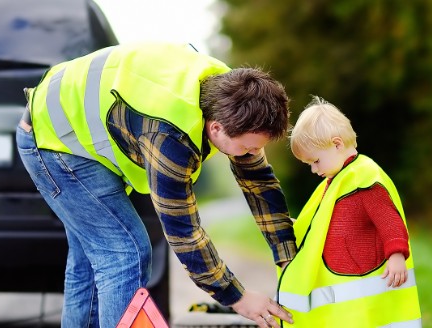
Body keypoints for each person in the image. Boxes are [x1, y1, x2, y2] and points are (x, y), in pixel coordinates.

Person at [15, 42, 295, 328]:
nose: (252, 155)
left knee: (90, 260)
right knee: (125, 253)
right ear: (216, 129)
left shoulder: (234, 97)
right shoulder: (169, 135)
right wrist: (237, 297)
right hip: (54, 140)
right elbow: (183, 231)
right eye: (248, 148)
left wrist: (287, 257)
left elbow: (259, 182)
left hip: (68, 128)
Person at [277, 97, 421, 327]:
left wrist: (396, 255)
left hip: (367, 294)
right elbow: (321, 224)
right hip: (345, 301)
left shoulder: (364, 178)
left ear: (336, 144)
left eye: (315, 161)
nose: (314, 170)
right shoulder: (336, 183)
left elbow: (389, 219)